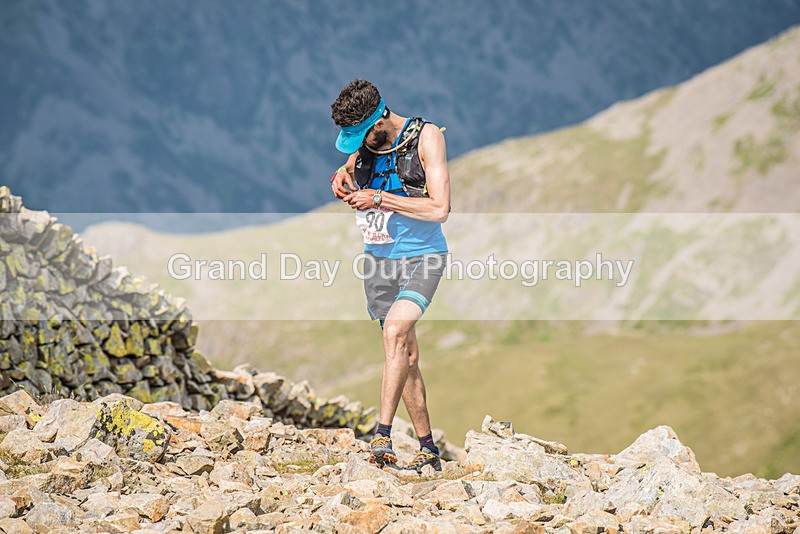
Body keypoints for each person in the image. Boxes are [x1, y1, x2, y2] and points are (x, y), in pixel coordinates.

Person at [329, 79, 450, 473]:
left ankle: (381, 436)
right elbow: (350, 166)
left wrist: (380, 198)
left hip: (423, 257)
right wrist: (340, 177)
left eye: (361, 134)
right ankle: (429, 449)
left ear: (380, 117)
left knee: (394, 334)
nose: (359, 144)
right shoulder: (365, 144)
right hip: (378, 263)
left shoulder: (426, 137)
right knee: (407, 356)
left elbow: (439, 208)